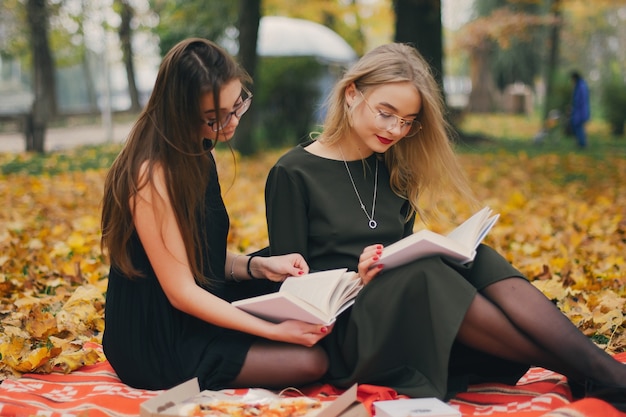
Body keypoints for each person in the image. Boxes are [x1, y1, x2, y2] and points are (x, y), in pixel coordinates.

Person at [264, 43, 626, 409]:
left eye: (407, 121)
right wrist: (358, 277)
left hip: (410, 315)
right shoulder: (292, 173)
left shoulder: (392, 168)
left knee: (477, 257)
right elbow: (292, 292)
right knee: (424, 275)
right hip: (347, 336)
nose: (396, 130)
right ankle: (596, 371)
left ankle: (596, 371)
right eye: (387, 113)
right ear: (352, 94)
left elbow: (399, 256)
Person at [100, 38, 331, 392]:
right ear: (181, 113)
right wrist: (273, 331)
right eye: (215, 117)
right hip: (157, 337)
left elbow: (196, 256)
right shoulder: (150, 175)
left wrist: (255, 267)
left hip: (194, 301)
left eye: (237, 105)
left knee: (289, 267)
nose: (232, 121)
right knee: (310, 362)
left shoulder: (197, 149)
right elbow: (180, 291)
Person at [569, 70, 590, 148]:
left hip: (580, 111)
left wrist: (574, 106)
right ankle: (581, 143)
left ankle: (582, 144)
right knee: (579, 127)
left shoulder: (580, 86)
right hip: (579, 110)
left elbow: (579, 99)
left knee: (579, 127)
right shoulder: (580, 85)